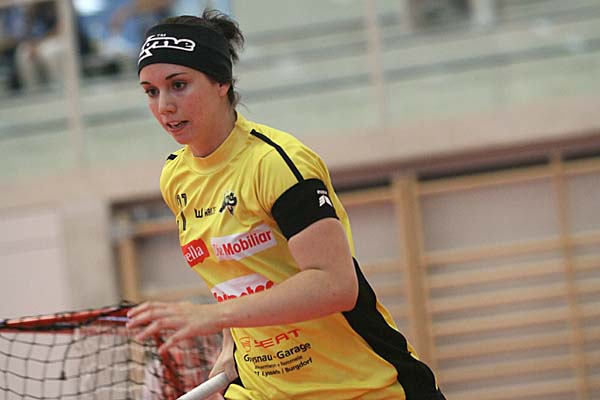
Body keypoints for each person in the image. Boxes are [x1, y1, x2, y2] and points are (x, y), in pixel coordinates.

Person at [126, 9, 446, 400]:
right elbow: (235, 276)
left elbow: (335, 284)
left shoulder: (275, 164)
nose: (164, 105)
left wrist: (213, 317)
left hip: (363, 388)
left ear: (221, 81)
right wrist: (230, 347)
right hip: (264, 389)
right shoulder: (176, 177)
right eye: (151, 91)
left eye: (178, 85)